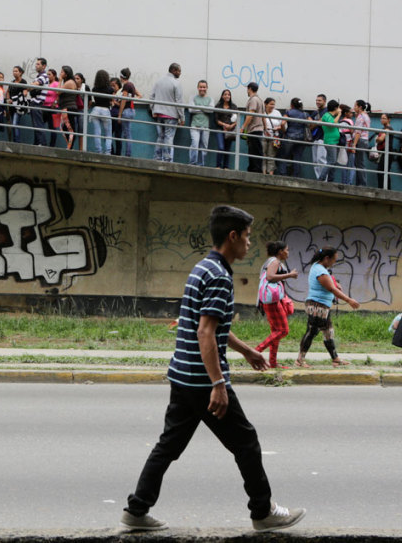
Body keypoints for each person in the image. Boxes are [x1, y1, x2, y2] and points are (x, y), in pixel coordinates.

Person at [120, 205, 305, 534]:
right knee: (245, 442)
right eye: (246, 237)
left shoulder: (203, 267)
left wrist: (247, 350)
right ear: (232, 237)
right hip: (203, 381)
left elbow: (211, 326)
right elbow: (205, 332)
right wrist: (218, 383)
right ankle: (262, 511)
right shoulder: (220, 276)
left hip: (183, 375)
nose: (249, 244)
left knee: (168, 446)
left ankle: (137, 510)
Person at [295, 247, 360, 368]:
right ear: (326, 258)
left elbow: (329, 284)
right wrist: (349, 300)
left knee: (328, 332)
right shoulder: (320, 271)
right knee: (312, 332)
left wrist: (335, 283)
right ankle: (300, 359)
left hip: (322, 306)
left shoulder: (318, 266)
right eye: (334, 259)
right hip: (317, 306)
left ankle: (335, 359)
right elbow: (331, 289)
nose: (334, 262)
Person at [255, 241, 298, 369]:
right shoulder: (275, 262)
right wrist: (290, 275)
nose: (288, 252)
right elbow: (270, 277)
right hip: (272, 301)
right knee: (283, 330)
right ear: (280, 251)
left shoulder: (270, 261)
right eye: (287, 250)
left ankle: (273, 362)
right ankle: (256, 351)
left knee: (275, 331)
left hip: (270, 300)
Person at [151, 63, 184, 162]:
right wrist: (182, 117)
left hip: (159, 115)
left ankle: (157, 158)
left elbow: (152, 97)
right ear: (174, 70)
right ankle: (167, 160)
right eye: (179, 71)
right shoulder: (176, 83)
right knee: (169, 138)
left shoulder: (158, 81)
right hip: (171, 116)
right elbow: (179, 101)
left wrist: (153, 110)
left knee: (160, 137)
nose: (180, 73)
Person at [276, 97, 307, 177]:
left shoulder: (289, 112)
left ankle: (283, 174)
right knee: (298, 157)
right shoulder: (305, 114)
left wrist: (284, 131)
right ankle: (296, 175)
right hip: (301, 137)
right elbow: (312, 123)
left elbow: (283, 123)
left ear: (291, 105)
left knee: (283, 156)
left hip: (289, 136)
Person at [241, 82, 265, 173]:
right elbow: (263, 116)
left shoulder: (253, 100)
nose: (247, 91)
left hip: (254, 129)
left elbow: (250, 114)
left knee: (254, 151)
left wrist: (243, 127)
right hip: (259, 129)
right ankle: (253, 169)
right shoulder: (260, 100)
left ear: (250, 88)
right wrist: (265, 128)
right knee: (256, 150)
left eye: (247, 89)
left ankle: (255, 170)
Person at [315, 99, 341, 182]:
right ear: (335, 108)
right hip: (330, 142)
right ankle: (321, 178)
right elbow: (332, 124)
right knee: (331, 161)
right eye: (338, 108)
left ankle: (330, 179)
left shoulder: (331, 116)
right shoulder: (327, 115)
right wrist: (339, 114)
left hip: (334, 141)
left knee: (333, 162)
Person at [188, 80, 213, 166]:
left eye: (204, 87)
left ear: (207, 88)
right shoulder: (193, 98)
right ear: (198, 87)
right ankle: (192, 163)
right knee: (194, 144)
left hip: (205, 126)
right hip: (194, 126)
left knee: (204, 148)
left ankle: (201, 165)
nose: (202, 89)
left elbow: (211, 110)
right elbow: (191, 110)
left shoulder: (210, 99)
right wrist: (204, 108)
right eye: (201, 87)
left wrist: (198, 107)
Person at [90, 69, 113, 155]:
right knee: (108, 134)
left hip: (95, 110)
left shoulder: (94, 89)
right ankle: (107, 152)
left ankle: (98, 151)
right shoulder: (110, 89)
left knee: (97, 133)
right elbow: (111, 99)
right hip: (105, 110)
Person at [117, 68, 139, 157]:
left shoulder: (126, 86)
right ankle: (127, 154)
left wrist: (119, 114)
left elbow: (123, 100)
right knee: (127, 133)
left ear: (121, 76)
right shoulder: (131, 85)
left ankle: (128, 155)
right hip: (131, 110)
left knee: (127, 134)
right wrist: (132, 100)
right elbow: (140, 95)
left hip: (126, 111)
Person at [213, 89, 237, 169]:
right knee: (221, 147)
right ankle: (218, 165)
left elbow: (237, 119)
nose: (227, 96)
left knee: (227, 149)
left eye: (228, 95)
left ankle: (226, 166)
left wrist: (231, 126)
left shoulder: (234, 107)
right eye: (225, 94)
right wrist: (224, 125)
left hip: (230, 130)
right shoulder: (218, 106)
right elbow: (216, 120)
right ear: (222, 96)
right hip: (220, 129)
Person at [28, 57, 50, 146]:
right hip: (35, 103)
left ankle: (42, 144)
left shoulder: (43, 76)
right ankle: (37, 144)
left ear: (44, 66)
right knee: (36, 125)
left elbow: (34, 86)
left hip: (37, 103)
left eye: (38, 64)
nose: (36, 66)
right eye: (36, 64)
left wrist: (30, 87)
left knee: (38, 125)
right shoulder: (39, 76)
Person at [58, 65, 79, 150]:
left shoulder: (69, 82)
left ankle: (70, 148)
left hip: (68, 108)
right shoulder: (68, 82)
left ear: (66, 74)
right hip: (66, 107)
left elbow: (58, 91)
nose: (60, 73)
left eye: (62, 72)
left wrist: (60, 80)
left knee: (69, 129)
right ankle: (69, 146)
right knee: (64, 127)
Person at [6, 65, 28, 143]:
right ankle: (15, 141)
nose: (14, 73)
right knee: (13, 124)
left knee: (15, 124)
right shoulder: (12, 82)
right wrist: (8, 99)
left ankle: (17, 142)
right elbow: (8, 92)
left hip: (18, 107)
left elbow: (25, 93)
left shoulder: (23, 82)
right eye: (13, 71)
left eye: (16, 71)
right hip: (11, 106)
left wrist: (17, 98)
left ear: (20, 72)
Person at [261, 97, 283, 175]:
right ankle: (263, 172)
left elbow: (283, 125)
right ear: (265, 104)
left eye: (273, 104)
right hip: (263, 136)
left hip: (274, 137)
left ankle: (270, 173)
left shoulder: (277, 113)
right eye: (271, 104)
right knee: (263, 154)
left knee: (271, 155)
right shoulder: (262, 112)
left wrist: (277, 128)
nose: (272, 106)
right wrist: (264, 129)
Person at [352, 100, 371, 187]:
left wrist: (354, 144)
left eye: (355, 106)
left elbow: (358, 132)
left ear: (360, 107)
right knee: (359, 163)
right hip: (364, 140)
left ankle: (362, 184)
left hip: (360, 140)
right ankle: (360, 183)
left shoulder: (361, 117)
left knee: (359, 163)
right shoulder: (365, 115)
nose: (354, 107)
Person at [310, 94, 328, 179]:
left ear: (324, 101)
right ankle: (319, 179)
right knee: (315, 161)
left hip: (323, 138)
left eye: (319, 100)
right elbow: (310, 125)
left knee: (321, 160)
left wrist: (315, 122)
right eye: (316, 100)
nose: (317, 102)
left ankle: (324, 180)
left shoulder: (327, 111)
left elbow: (318, 123)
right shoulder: (315, 112)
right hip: (315, 138)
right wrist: (316, 122)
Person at [338, 104, 356, 185]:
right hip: (350, 144)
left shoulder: (340, 122)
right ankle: (349, 183)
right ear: (346, 113)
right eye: (350, 113)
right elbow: (353, 132)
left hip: (343, 145)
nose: (352, 114)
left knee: (343, 165)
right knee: (352, 166)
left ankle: (343, 182)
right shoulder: (350, 121)